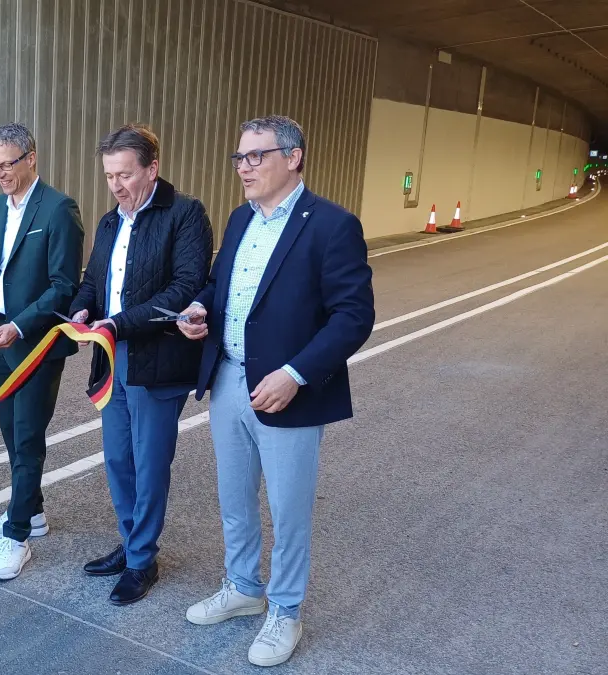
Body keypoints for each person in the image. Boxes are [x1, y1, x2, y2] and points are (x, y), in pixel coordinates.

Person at [177, 116, 375, 667]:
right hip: (228, 378)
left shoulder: (333, 226)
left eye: (256, 156)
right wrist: (199, 309)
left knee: (288, 511)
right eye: (240, 158)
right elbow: (220, 286)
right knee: (234, 501)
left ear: (294, 157)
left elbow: (353, 316)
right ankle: (242, 588)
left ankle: (284, 610)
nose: (244, 168)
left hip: (287, 389)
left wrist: (296, 374)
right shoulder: (241, 219)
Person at [67, 124, 212, 604]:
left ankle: (142, 559)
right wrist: (83, 308)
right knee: (118, 459)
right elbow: (94, 279)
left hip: (156, 356)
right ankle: (132, 543)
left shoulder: (186, 214)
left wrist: (118, 324)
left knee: (149, 465)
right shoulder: (111, 221)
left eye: (125, 174)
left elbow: (186, 286)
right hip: (112, 357)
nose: (116, 185)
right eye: (109, 175)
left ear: (152, 169)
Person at [0, 123, 84, 581]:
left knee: (27, 438)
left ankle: (18, 533)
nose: (1, 172)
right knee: (12, 434)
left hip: (35, 343)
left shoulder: (58, 208)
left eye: (9, 163)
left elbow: (64, 286)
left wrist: (20, 324)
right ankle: (35, 510)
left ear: (31, 159)